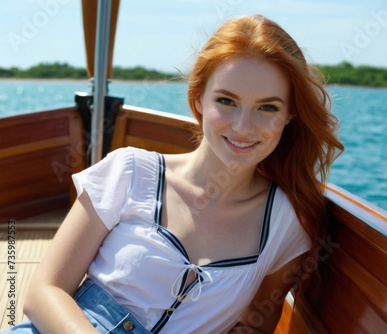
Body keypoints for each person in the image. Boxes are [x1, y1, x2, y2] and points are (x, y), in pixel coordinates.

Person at [7, 14, 343, 333]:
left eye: (267, 107)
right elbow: (43, 292)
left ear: (290, 115)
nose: (243, 126)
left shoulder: (288, 222)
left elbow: (255, 326)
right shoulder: (130, 171)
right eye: (226, 101)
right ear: (198, 99)